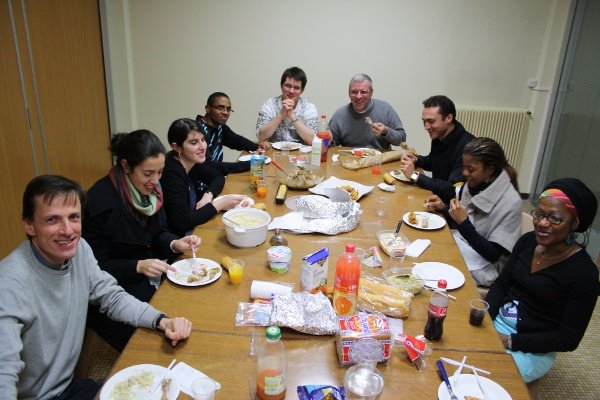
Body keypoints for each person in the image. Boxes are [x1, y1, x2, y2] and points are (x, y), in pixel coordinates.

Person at [0, 175, 192, 399]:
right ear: (29, 225)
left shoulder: (79, 248)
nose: (67, 230)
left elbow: (112, 296)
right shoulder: (9, 283)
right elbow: (4, 374)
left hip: (69, 387)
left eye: (74, 217)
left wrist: (161, 320)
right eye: (53, 220)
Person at [83, 130, 201, 351]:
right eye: (148, 173)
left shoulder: (152, 191)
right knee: (154, 339)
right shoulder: (99, 202)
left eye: (160, 172)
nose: (155, 181)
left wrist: (175, 243)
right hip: (118, 281)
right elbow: (94, 268)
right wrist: (136, 266)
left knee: (192, 297)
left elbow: (158, 233)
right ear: (126, 166)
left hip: (150, 266)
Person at [486, 178, 599, 384]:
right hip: (496, 322)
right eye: (539, 213)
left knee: (485, 378)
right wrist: (486, 318)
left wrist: (509, 340)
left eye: (555, 218)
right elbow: (502, 284)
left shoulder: (585, 274)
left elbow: (568, 338)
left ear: (575, 223)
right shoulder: (528, 241)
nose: (542, 223)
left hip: (533, 348)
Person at [425, 138, 522, 286]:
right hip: (465, 246)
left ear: (490, 169)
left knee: (431, 271)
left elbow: (493, 254)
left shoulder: (511, 202)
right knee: (427, 247)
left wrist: (463, 223)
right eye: (464, 167)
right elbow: (459, 225)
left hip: (487, 267)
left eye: (471, 169)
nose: (465, 173)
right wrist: (444, 208)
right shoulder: (473, 186)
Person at [161, 118, 244, 236]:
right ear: (177, 147)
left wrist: (208, 194)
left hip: (192, 228)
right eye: (194, 142)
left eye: (203, 140)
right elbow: (181, 222)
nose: (203, 146)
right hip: (178, 239)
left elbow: (218, 177)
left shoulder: (191, 161)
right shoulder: (171, 173)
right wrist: (219, 204)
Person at [399, 95, 475, 203]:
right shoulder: (439, 135)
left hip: (451, 208)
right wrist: (417, 159)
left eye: (431, 121)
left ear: (449, 118)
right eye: (424, 121)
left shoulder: (467, 148)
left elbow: (452, 190)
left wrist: (414, 175)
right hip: (436, 199)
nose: (426, 127)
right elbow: (433, 161)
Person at [196, 92, 270, 173]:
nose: (225, 113)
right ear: (208, 109)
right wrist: (250, 164)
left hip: (215, 177)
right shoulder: (197, 132)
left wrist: (257, 146)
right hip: (202, 182)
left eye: (228, 109)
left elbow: (236, 140)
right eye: (220, 108)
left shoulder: (219, 126)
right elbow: (208, 166)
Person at [330, 73, 406, 149]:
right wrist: (329, 141)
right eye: (354, 92)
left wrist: (385, 131)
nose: (358, 96)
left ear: (371, 93)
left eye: (363, 92)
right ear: (349, 93)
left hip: (380, 159)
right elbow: (331, 145)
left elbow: (402, 139)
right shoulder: (339, 115)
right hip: (350, 159)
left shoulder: (385, 109)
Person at [256, 66, 318, 144]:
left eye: (296, 88)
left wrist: (293, 116)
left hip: (301, 154)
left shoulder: (309, 107)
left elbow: (312, 141)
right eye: (288, 86)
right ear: (281, 86)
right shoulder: (269, 105)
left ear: (302, 91)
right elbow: (261, 137)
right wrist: (281, 114)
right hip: (274, 153)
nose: (291, 91)